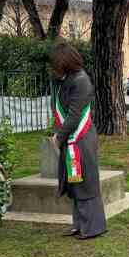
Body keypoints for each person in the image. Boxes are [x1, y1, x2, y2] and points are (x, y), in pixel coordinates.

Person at [49, 41, 107, 239]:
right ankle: (80, 224)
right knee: (75, 182)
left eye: (56, 63)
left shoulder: (81, 80)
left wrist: (59, 136)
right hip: (72, 139)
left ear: (65, 62)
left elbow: (74, 115)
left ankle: (93, 226)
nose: (54, 68)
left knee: (86, 182)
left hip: (81, 139)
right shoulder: (68, 79)